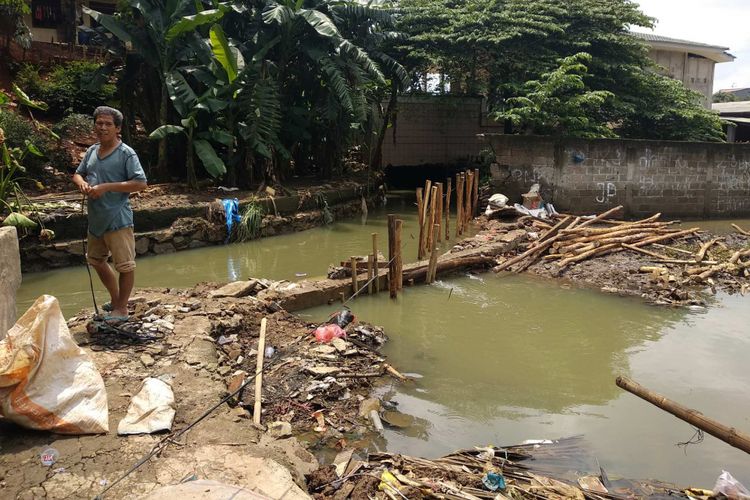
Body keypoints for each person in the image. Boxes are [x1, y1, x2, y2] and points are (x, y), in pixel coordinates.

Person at [72, 106, 147, 322]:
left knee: (124, 265)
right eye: (99, 123)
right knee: (95, 260)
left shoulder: (126, 153)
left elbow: (140, 183)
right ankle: (116, 300)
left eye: (108, 124)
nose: (103, 127)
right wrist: (83, 184)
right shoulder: (92, 151)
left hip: (117, 218)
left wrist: (105, 187)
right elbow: (77, 174)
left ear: (117, 129)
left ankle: (122, 309)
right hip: (96, 218)